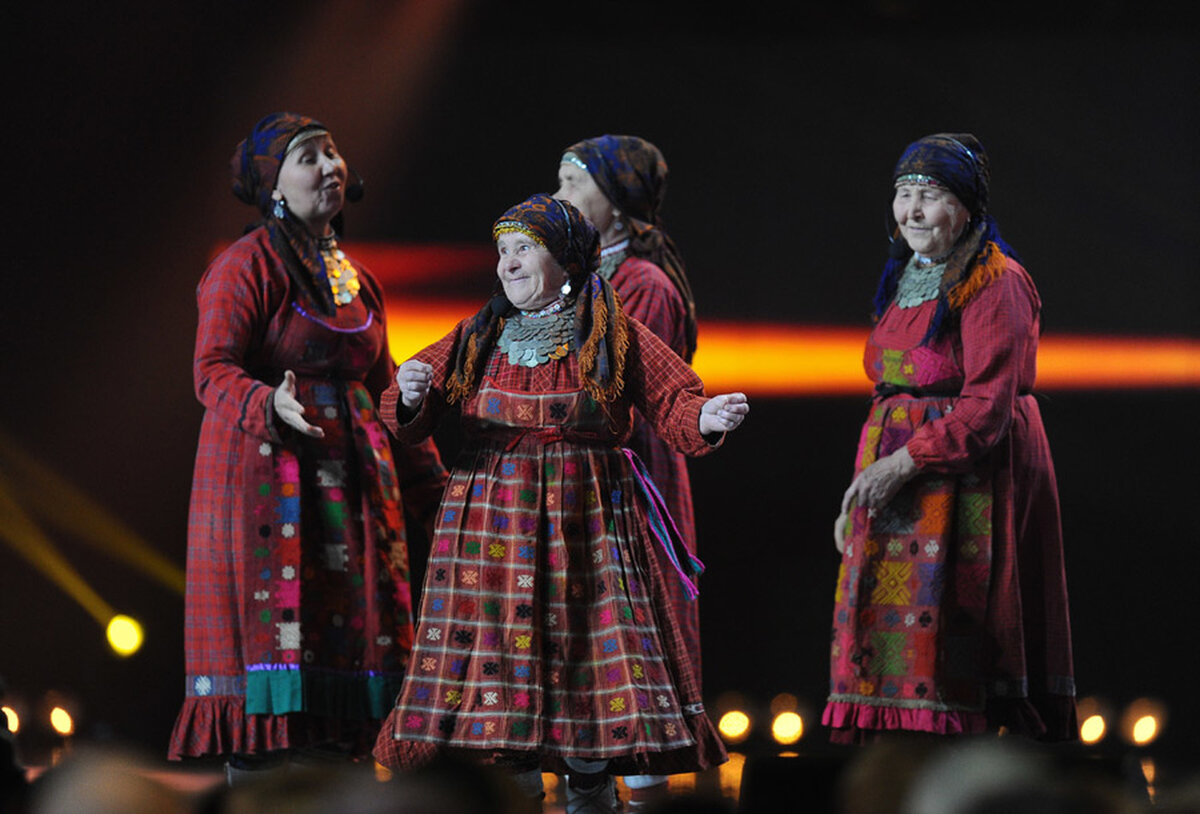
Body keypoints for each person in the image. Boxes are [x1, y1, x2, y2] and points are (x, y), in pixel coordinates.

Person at [372, 194, 748, 812]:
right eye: (502, 252)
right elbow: (410, 409)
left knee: (583, 657)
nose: (508, 264)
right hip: (490, 523)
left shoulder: (611, 330)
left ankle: (590, 788)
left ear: (566, 260)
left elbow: (675, 400)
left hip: (586, 520)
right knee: (497, 658)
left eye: (524, 249)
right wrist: (410, 393)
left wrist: (705, 415)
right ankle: (513, 791)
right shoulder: (479, 333)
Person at [168, 113, 447, 771]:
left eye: (331, 152)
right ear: (272, 183)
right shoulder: (245, 266)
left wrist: (439, 487)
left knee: (346, 687)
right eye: (308, 157)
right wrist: (268, 402)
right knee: (278, 691)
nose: (329, 166)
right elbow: (211, 368)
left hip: (352, 502)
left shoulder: (359, 280)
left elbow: (384, 395)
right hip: (269, 492)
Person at [824, 133, 1076, 743]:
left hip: (968, 481)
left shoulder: (996, 280)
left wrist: (902, 464)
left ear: (964, 208)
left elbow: (987, 408)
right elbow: (891, 396)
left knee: (961, 645)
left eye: (929, 196)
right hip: (900, 481)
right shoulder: (906, 274)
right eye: (902, 194)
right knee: (885, 649)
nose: (910, 211)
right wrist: (862, 493)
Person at [554, 135, 700, 807]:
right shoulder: (577, 278)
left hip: (623, 486)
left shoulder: (642, 284)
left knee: (629, 651)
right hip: (577, 480)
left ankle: (637, 795)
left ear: (616, 204)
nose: (559, 195)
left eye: (574, 182)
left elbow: (621, 401)